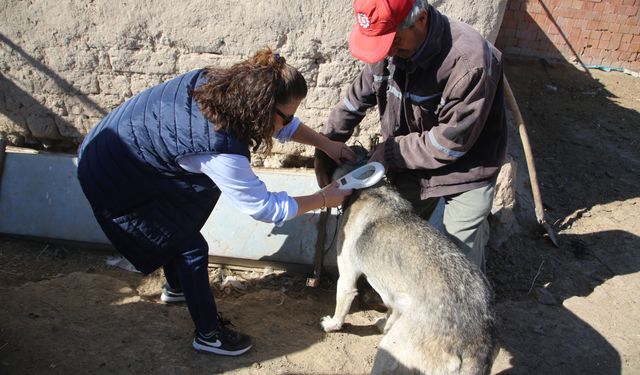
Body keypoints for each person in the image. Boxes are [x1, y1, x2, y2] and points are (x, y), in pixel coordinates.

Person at [77, 48, 355, 356]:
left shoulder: (223, 86)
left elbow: (284, 123)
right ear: (262, 109)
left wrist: (327, 144)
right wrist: (323, 198)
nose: (287, 123)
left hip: (118, 144)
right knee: (190, 248)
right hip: (113, 174)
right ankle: (209, 335)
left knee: (179, 222)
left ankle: (178, 287)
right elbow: (264, 207)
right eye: (285, 116)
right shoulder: (218, 147)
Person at [315, 0, 507, 272]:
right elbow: (355, 100)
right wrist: (327, 143)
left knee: (459, 261)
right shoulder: (389, 50)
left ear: (421, 19)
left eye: (394, 41)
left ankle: (472, 310)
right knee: (396, 233)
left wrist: (391, 151)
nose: (389, 52)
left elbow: (450, 143)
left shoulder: (469, 62)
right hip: (411, 164)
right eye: (382, 44)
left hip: (467, 169)